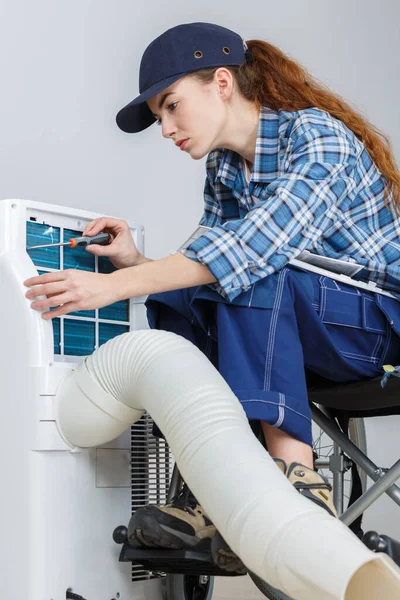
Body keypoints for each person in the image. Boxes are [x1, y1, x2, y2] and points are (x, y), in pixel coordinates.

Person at [24, 22, 400, 572]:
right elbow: (205, 270)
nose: (166, 129)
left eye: (171, 106)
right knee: (181, 299)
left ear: (222, 82)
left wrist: (109, 286)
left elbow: (251, 250)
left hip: (377, 333)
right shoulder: (226, 167)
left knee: (252, 271)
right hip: (302, 329)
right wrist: (133, 263)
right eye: (159, 118)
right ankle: (215, 480)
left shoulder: (318, 137)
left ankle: (295, 477)